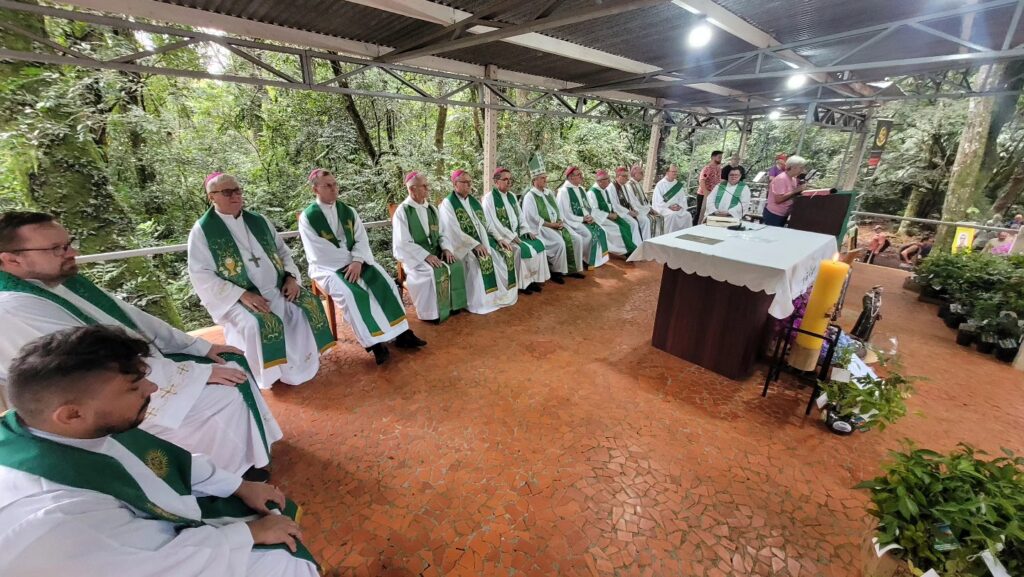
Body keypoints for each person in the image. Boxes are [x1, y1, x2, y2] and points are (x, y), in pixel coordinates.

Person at [0, 326, 318, 577]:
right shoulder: (62, 518)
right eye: (134, 387)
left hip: (141, 542)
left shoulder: (55, 428)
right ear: (72, 414)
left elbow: (160, 462)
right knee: (282, 562)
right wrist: (248, 534)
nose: (152, 388)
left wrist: (238, 485)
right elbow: (157, 565)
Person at [0, 211, 280, 477]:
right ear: (12, 260)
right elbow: (93, 365)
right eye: (57, 249)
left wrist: (200, 348)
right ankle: (223, 477)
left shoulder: (58, 282)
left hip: (134, 369)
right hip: (97, 400)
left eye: (68, 243)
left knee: (231, 361)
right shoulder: (14, 308)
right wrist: (196, 374)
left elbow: (134, 319)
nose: (72, 252)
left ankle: (245, 459)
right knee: (224, 396)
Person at [188, 173, 336, 390]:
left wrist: (291, 277)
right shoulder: (202, 231)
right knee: (256, 324)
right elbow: (201, 274)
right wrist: (241, 294)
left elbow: (283, 252)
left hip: (278, 287)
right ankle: (270, 374)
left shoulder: (259, 221)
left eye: (237, 190)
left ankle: (302, 364)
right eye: (227, 192)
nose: (235, 196)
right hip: (240, 297)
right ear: (212, 197)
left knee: (308, 307)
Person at [297, 169, 425, 366]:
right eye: (328, 185)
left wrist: (357, 260)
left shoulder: (348, 211)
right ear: (315, 189)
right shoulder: (308, 217)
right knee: (352, 295)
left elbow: (361, 238)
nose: (334, 189)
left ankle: (401, 334)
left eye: (335, 184)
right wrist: (352, 261)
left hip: (357, 261)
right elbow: (319, 252)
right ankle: (375, 344)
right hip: (328, 268)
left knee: (387, 283)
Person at [392, 171, 468, 323]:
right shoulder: (403, 212)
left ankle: (453, 306)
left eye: (427, 185)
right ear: (412, 189)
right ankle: (432, 313)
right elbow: (403, 242)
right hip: (416, 258)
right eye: (424, 186)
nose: (428, 188)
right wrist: (425, 256)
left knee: (456, 264)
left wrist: (446, 249)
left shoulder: (431, 209)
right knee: (431, 272)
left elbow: (442, 234)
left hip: (436, 252)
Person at [439, 169, 518, 314]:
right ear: (455, 184)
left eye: (470, 182)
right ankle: (480, 302)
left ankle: (497, 297)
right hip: (462, 247)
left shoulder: (473, 201)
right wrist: (474, 245)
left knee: (503, 255)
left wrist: (499, 238)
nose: (469, 185)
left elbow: (487, 224)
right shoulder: (448, 204)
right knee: (478, 264)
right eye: (465, 182)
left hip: (482, 243)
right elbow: (453, 231)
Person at [482, 167, 551, 294]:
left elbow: (521, 216)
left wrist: (526, 230)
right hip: (500, 237)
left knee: (539, 244)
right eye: (505, 179)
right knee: (520, 250)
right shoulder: (489, 198)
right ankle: (522, 285)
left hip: (518, 233)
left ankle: (533, 280)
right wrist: (511, 236)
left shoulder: (512, 196)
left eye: (510, 179)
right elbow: (492, 223)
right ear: (496, 181)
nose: (509, 182)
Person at [521, 154, 584, 283]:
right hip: (542, 228)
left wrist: (560, 220)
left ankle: (573, 269)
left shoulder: (548, 193)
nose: (546, 180)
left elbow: (558, 209)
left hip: (556, 225)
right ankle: (557, 271)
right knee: (559, 243)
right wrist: (551, 225)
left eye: (545, 177)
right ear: (535, 180)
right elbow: (532, 218)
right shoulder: (530, 196)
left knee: (577, 239)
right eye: (542, 178)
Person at [557, 166, 609, 270]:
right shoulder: (563, 191)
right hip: (572, 222)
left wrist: (591, 216)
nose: (582, 176)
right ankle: (584, 259)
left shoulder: (581, 189)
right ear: (571, 177)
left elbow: (589, 206)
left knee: (602, 231)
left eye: (581, 174)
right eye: (579, 175)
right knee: (589, 235)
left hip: (585, 219)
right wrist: (582, 219)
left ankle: (597, 260)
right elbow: (565, 213)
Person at [587, 169, 640, 257]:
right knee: (617, 228)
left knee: (626, 225)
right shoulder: (591, 193)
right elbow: (594, 211)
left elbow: (610, 204)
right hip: (601, 220)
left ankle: (629, 248)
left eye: (609, 178)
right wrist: (609, 215)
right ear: (600, 181)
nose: (609, 181)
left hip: (609, 216)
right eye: (607, 179)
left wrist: (613, 212)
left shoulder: (604, 190)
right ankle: (625, 251)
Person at [763, 155, 807, 227]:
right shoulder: (782, 179)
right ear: (793, 167)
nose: (802, 170)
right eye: (801, 168)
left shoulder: (793, 179)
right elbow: (778, 199)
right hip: (774, 214)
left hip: (784, 214)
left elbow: (791, 195)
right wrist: (796, 190)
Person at [624, 164, 664, 239]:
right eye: (641, 173)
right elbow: (633, 203)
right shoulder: (629, 186)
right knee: (647, 221)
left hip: (644, 210)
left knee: (660, 217)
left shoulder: (638, 184)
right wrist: (648, 209)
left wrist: (651, 208)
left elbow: (644, 200)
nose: (643, 175)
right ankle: (646, 241)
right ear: (635, 174)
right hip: (637, 211)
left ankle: (656, 240)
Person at [652, 164, 693, 233]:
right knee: (673, 215)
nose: (675, 173)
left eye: (676, 172)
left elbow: (682, 198)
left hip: (677, 208)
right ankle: (669, 235)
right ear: (667, 172)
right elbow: (658, 201)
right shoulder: (660, 184)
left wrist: (679, 206)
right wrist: (670, 206)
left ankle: (685, 234)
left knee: (687, 215)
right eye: (673, 171)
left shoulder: (678, 185)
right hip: (665, 208)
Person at [696, 150, 723, 218]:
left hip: (713, 195)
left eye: (721, 157)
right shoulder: (707, 168)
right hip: (703, 194)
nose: (721, 159)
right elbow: (701, 181)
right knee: (700, 214)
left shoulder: (718, 169)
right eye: (719, 157)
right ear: (713, 157)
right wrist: (706, 193)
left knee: (710, 214)